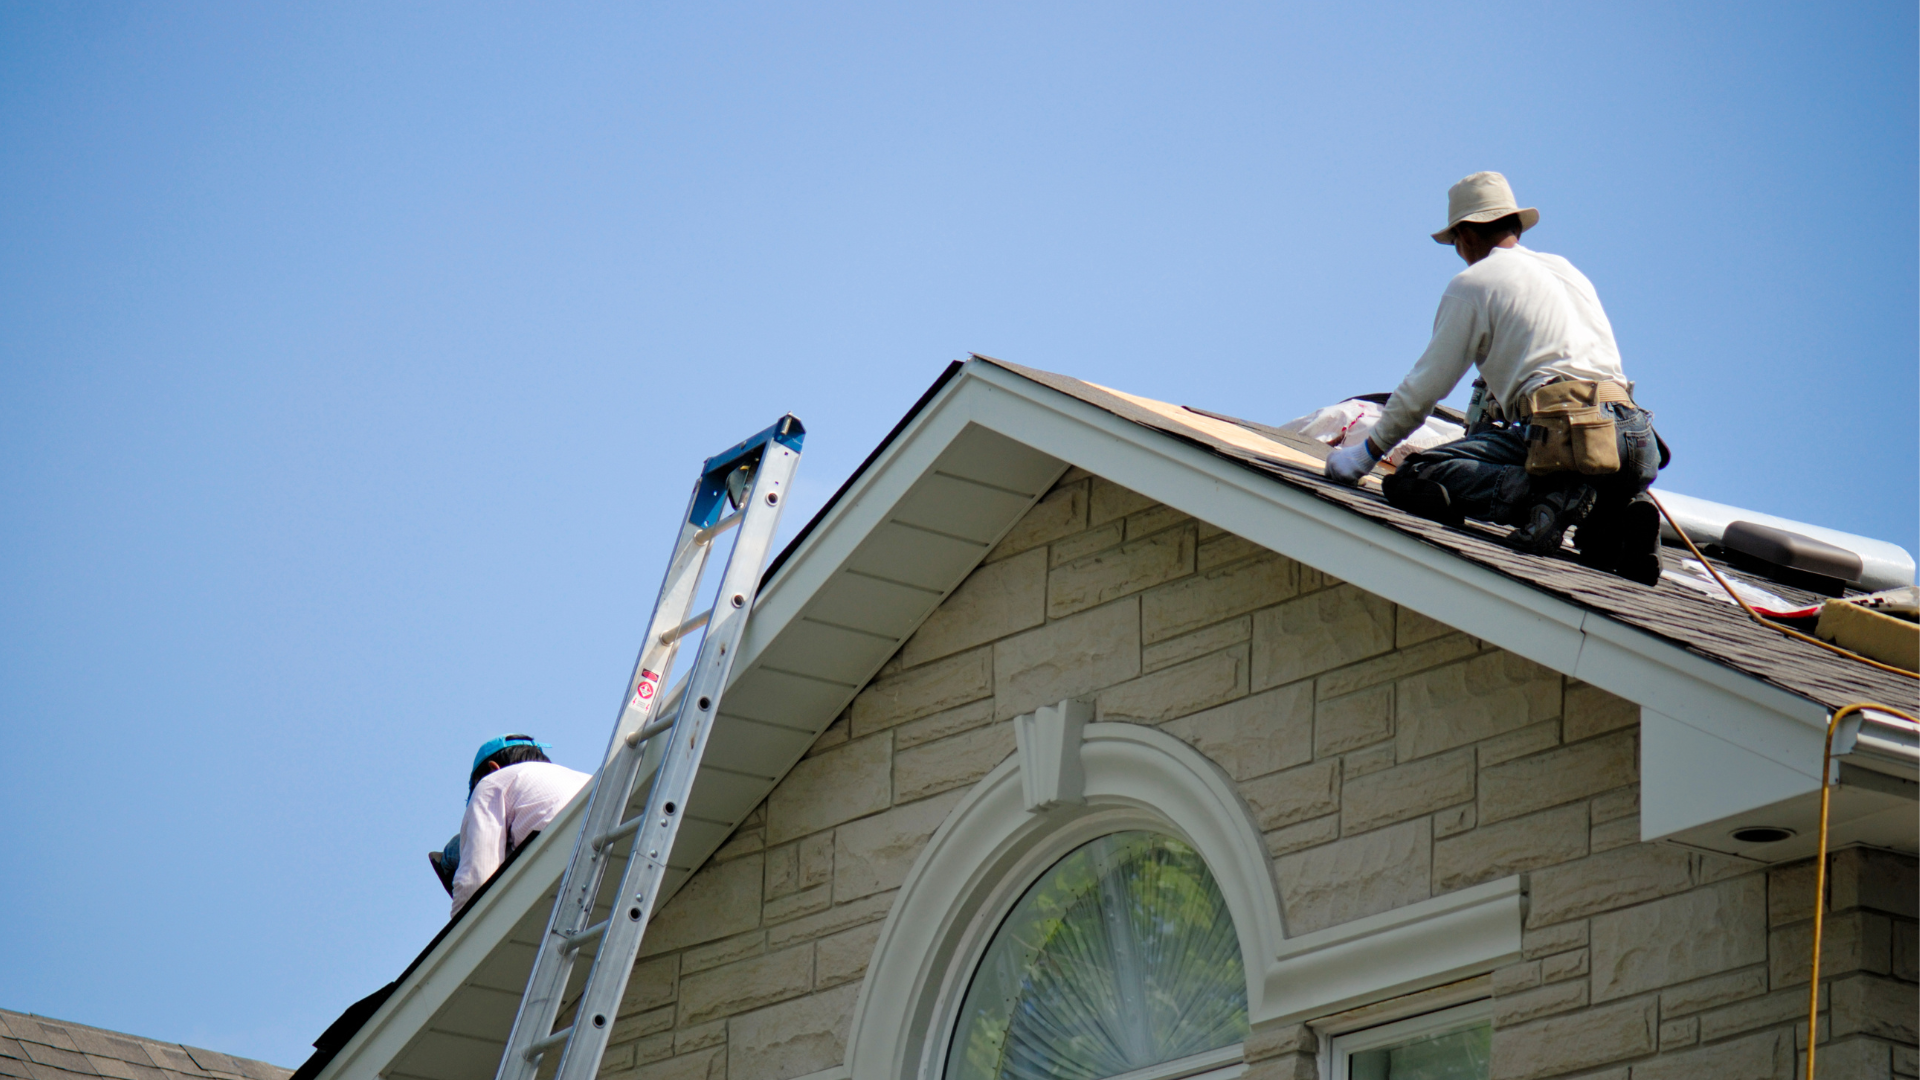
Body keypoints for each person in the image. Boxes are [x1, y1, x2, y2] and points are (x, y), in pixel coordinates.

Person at [1324, 171, 1666, 585]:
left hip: (1564, 434)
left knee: (1418, 475)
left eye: (1455, 244)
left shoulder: (1475, 283)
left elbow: (1424, 389)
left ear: (1466, 235)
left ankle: (1546, 497)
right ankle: (1613, 515)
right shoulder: (1566, 270)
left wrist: (1363, 456)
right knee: (1596, 547)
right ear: (1514, 225)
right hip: (1633, 438)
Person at [446, 734, 591, 917]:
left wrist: (461, 935)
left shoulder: (492, 781)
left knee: (453, 852)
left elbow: (477, 878)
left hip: (560, 861)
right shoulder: (578, 776)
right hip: (604, 847)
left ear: (492, 769)